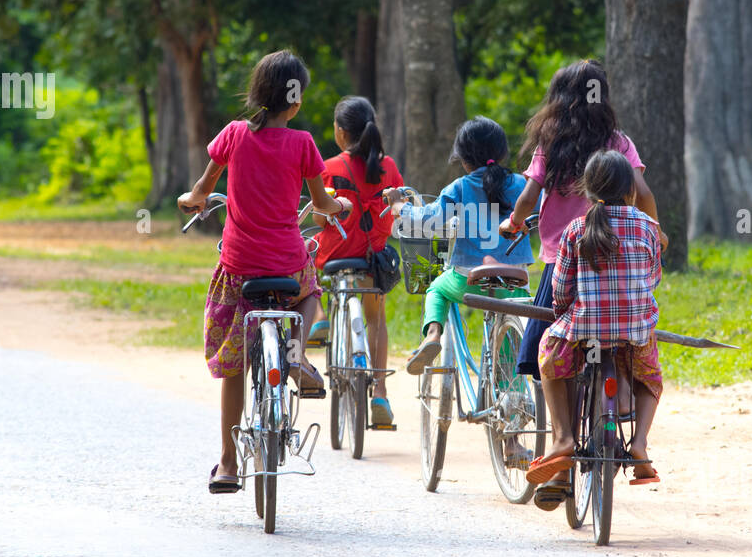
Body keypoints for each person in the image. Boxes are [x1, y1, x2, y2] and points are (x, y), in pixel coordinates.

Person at [178, 49, 351, 495]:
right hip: (288, 265)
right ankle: (295, 350)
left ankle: (229, 464)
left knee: (234, 366)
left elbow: (202, 189)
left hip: (239, 268)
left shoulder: (234, 135)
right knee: (312, 291)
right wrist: (338, 205)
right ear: (295, 102)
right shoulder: (304, 144)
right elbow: (322, 202)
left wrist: (192, 200)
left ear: (257, 95)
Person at [498, 59, 661, 383]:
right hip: (612, 250)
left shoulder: (551, 143)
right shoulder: (618, 142)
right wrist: (655, 232)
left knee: (544, 339)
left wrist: (514, 222)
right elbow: (643, 194)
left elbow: (529, 197)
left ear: (558, 100)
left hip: (562, 254)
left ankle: (561, 422)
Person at [523, 149, 667, 509]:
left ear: (587, 190)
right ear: (631, 191)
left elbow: (561, 291)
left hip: (584, 328)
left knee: (549, 353)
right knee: (650, 377)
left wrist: (563, 315)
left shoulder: (575, 229)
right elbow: (653, 278)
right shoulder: (649, 228)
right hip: (634, 332)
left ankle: (562, 439)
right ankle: (640, 444)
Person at [382, 116, 533, 377]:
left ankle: (432, 335)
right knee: (509, 340)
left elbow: (430, 222)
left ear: (463, 158)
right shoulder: (522, 184)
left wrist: (400, 207)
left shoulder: (460, 187)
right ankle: (513, 395)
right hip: (515, 282)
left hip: (469, 279)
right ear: (502, 152)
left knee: (436, 289)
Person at [308, 96, 404, 427]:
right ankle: (380, 391)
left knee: (306, 250)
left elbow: (321, 221)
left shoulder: (328, 169)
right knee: (375, 318)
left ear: (339, 132)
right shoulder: (388, 167)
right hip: (372, 260)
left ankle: (320, 313)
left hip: (335, 255)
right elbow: (396, 214)